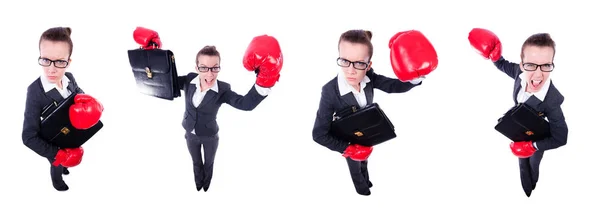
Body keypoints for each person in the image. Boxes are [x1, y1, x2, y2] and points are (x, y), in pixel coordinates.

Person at [133, 28, 282, 192]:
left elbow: (245, 104)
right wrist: (152, 55)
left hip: (210, 136)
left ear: (219, 67)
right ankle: (198, 185)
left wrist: (266, 80)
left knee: (209, 163)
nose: (210, 74)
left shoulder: (223, 89)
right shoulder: (189, 80)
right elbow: (166, 83)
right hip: (190, 133)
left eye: (214, 68)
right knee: (196, 162)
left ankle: (207, 185)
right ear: (196, 67)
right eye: (204, 68)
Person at [312, 29, 438, 195]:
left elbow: (393, 86)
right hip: (350, 141)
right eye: (345, 61)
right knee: (355, 167)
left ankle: (367, 180)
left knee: (365, 162)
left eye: (359, 64)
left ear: (368, 65)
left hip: (368, 135)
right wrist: (348, 148)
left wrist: (415, 77)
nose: (350, 70)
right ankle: (363, 191)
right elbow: (318, 134)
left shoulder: (369, 76)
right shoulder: (329, 91)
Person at [469, 28, 569, 197]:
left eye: (546, 65)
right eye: (531, 65)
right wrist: (495, 57)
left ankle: (533, 186)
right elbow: (502, 64)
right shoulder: (519, 73)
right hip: (518, 129)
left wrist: (532, 146)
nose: (538, 74)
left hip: (538, 138)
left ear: (552, 63)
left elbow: (561, 138)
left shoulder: (552, 100)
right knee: (521, 164)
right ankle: (526, 193)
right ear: (522, 64)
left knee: (534, 163)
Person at [22, 27, 104, 191]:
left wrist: (89, 102)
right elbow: (28, 136)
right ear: (40, 56)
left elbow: (78, 93)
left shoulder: (70, 77)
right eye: (45, 60)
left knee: (69, 159)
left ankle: (65, 166)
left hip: (72, 133)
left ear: (69, 61)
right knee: (57, 165)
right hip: (53, 142)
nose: (51, 69)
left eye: (59, 62)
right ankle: (57, 182)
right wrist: (57, 154)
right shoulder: (35, 91)